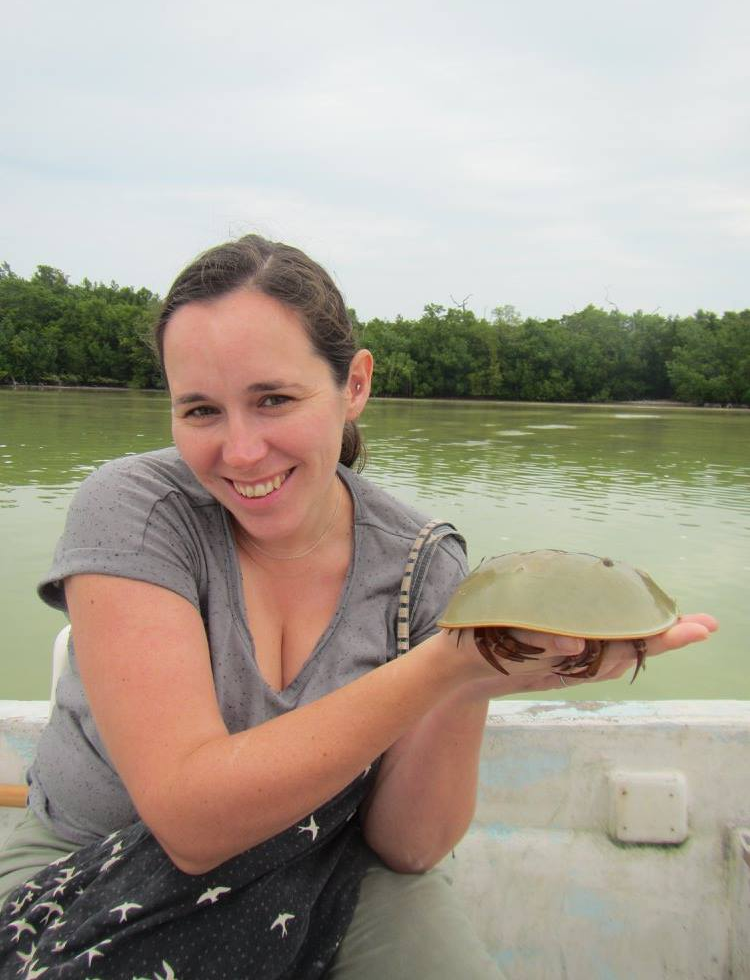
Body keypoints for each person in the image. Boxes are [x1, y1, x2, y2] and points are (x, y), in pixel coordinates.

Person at [0, 235, 717, 979]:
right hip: (86, 860)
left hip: (325, 863)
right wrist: (446, 663)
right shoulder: (134, 509)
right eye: (202, 411)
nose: (241, 452)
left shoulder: (420, 562)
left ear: (355, 385)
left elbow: (408, 847)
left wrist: (475, 677)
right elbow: (189, 821)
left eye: (274, 399)